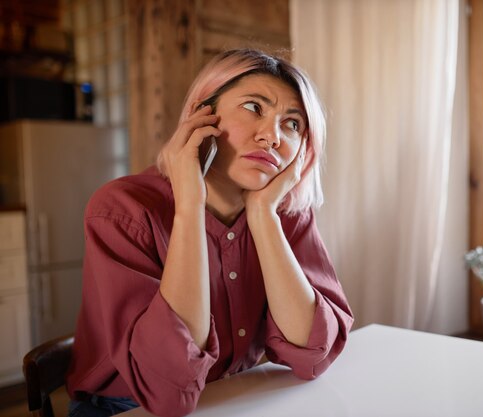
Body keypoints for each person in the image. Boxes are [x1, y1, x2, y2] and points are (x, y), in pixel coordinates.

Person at [66, 49, 354, 417]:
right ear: (203, 116)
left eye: (293, 124)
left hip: (234, 395)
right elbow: (167, 391)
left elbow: (312, 353)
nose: (272, 136)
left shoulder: (287, 213)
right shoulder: (122, 210)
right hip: (125, 407)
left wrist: (263, 216)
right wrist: (189, 206)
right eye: (254, 108)